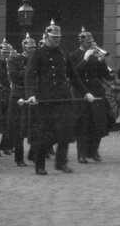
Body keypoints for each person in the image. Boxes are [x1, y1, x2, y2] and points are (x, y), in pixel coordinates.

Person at [25, 20, 95, 174]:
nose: (57, 40)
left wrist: (86, 92)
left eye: (58, 37)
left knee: (65, 132)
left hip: (63, 98)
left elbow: (73, 75)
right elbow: (30, 76)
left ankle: (61, 162)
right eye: (54, 37)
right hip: (45, 100)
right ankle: (40, 165)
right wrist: (31, 95)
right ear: (46, 36)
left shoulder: (63, 54)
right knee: (43, 135)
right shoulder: (37, 54)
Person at [71, 28, 113, 163]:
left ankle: (93, 150)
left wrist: (101, 61)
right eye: (88, 42)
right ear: (82, 42)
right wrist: (85, 58)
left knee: (99, 122)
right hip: (81, 92)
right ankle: (81, 154)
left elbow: (106, 76)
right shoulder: (74, 55)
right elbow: (73, 73)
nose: (91, 44)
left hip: (96, 91)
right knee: (83, 124)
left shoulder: (96, 55)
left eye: (91, 41)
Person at [7, 33, 35, 167]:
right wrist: (29, 70)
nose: (33, 49)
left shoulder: (36, 59)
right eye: (30, 47)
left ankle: (34, 154)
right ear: (24, 47)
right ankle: (19, 158)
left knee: (33, 126)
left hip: (32, 94)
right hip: (19, 95)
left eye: (34, 47)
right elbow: (13, 76)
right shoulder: (14, 60)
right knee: (19, 128)